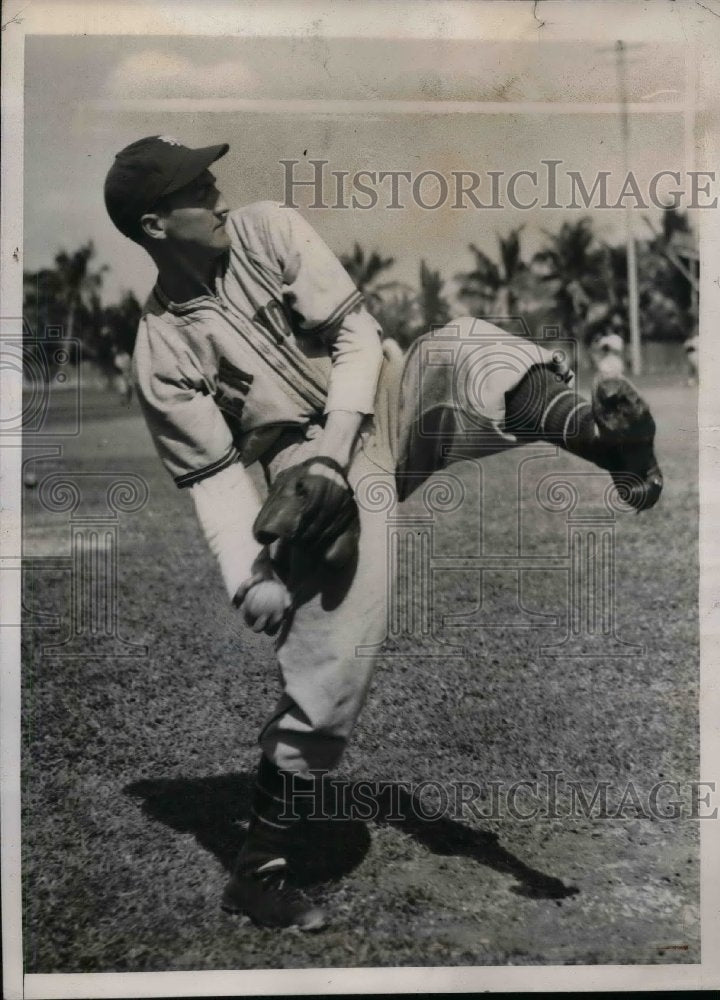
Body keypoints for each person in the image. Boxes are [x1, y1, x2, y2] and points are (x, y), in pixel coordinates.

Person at [104, 136, 663, 932]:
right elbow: (213, 478)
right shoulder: (160, 352)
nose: (219, 190)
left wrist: (337, 451)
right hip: (310, 478)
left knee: (462, 346)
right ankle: (257, 870)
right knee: (334, 662)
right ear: (156, 225)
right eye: (198, 187)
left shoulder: (266, 229)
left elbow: (358, 339)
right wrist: (248, 574)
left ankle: (606, 439)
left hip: (373, 407)